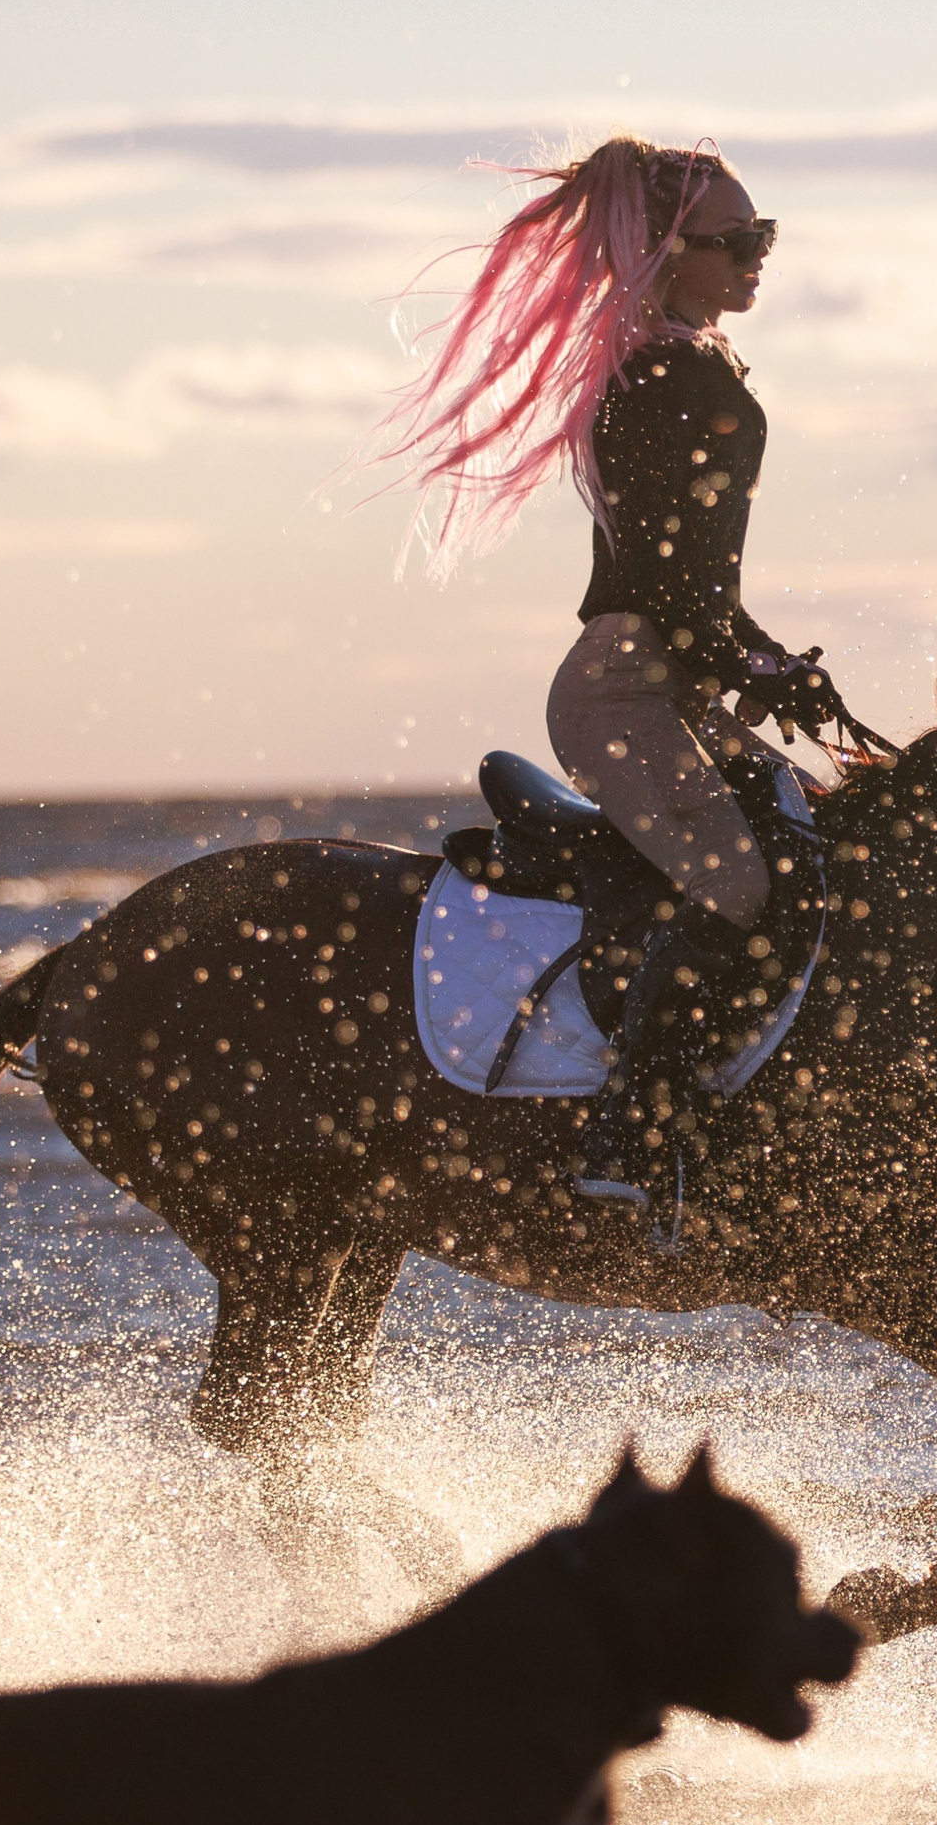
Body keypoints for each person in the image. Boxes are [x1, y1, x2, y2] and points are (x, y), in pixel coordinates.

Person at [378, 138, 882, 1208]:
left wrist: (770, 659)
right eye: (735, 241)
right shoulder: (667, 375)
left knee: (819, 853)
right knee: (747, 891)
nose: (758, 257)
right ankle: (632, 1136)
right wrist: (751, 661)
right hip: (626, 689)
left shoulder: (686, 363)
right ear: (665, 252)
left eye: (766, 235)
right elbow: (664, 586)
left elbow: (699, 585)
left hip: (670, 680)